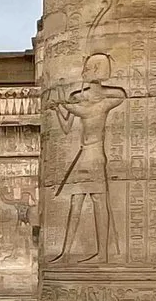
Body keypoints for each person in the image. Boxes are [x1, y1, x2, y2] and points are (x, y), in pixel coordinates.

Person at [49, 53, 127, 264]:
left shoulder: (101, 102)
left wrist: (67, 104)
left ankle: (102, 253)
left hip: (95, 155)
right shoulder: (81, 99)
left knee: (99, 202)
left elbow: (97, 106)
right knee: (76, 202)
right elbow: (66, 127)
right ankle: (66, 253)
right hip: (83, 155)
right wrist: (59, 109)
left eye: (89, 68)